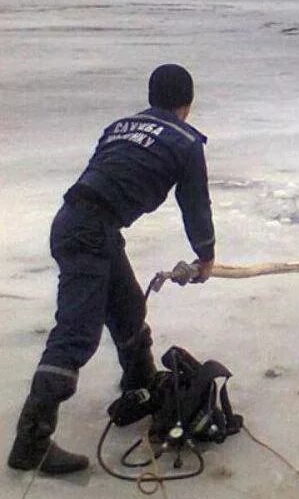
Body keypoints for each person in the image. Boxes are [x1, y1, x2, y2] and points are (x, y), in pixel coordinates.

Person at [7, 64, 215, 475]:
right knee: (75, 334)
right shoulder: (186, 142)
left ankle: (139, 379)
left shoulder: (120, 126)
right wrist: (205, 256)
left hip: (76, 220)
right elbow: (195, 204)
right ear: (187, 104)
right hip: (91, 232)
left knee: (127, 306)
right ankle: (30, 443)